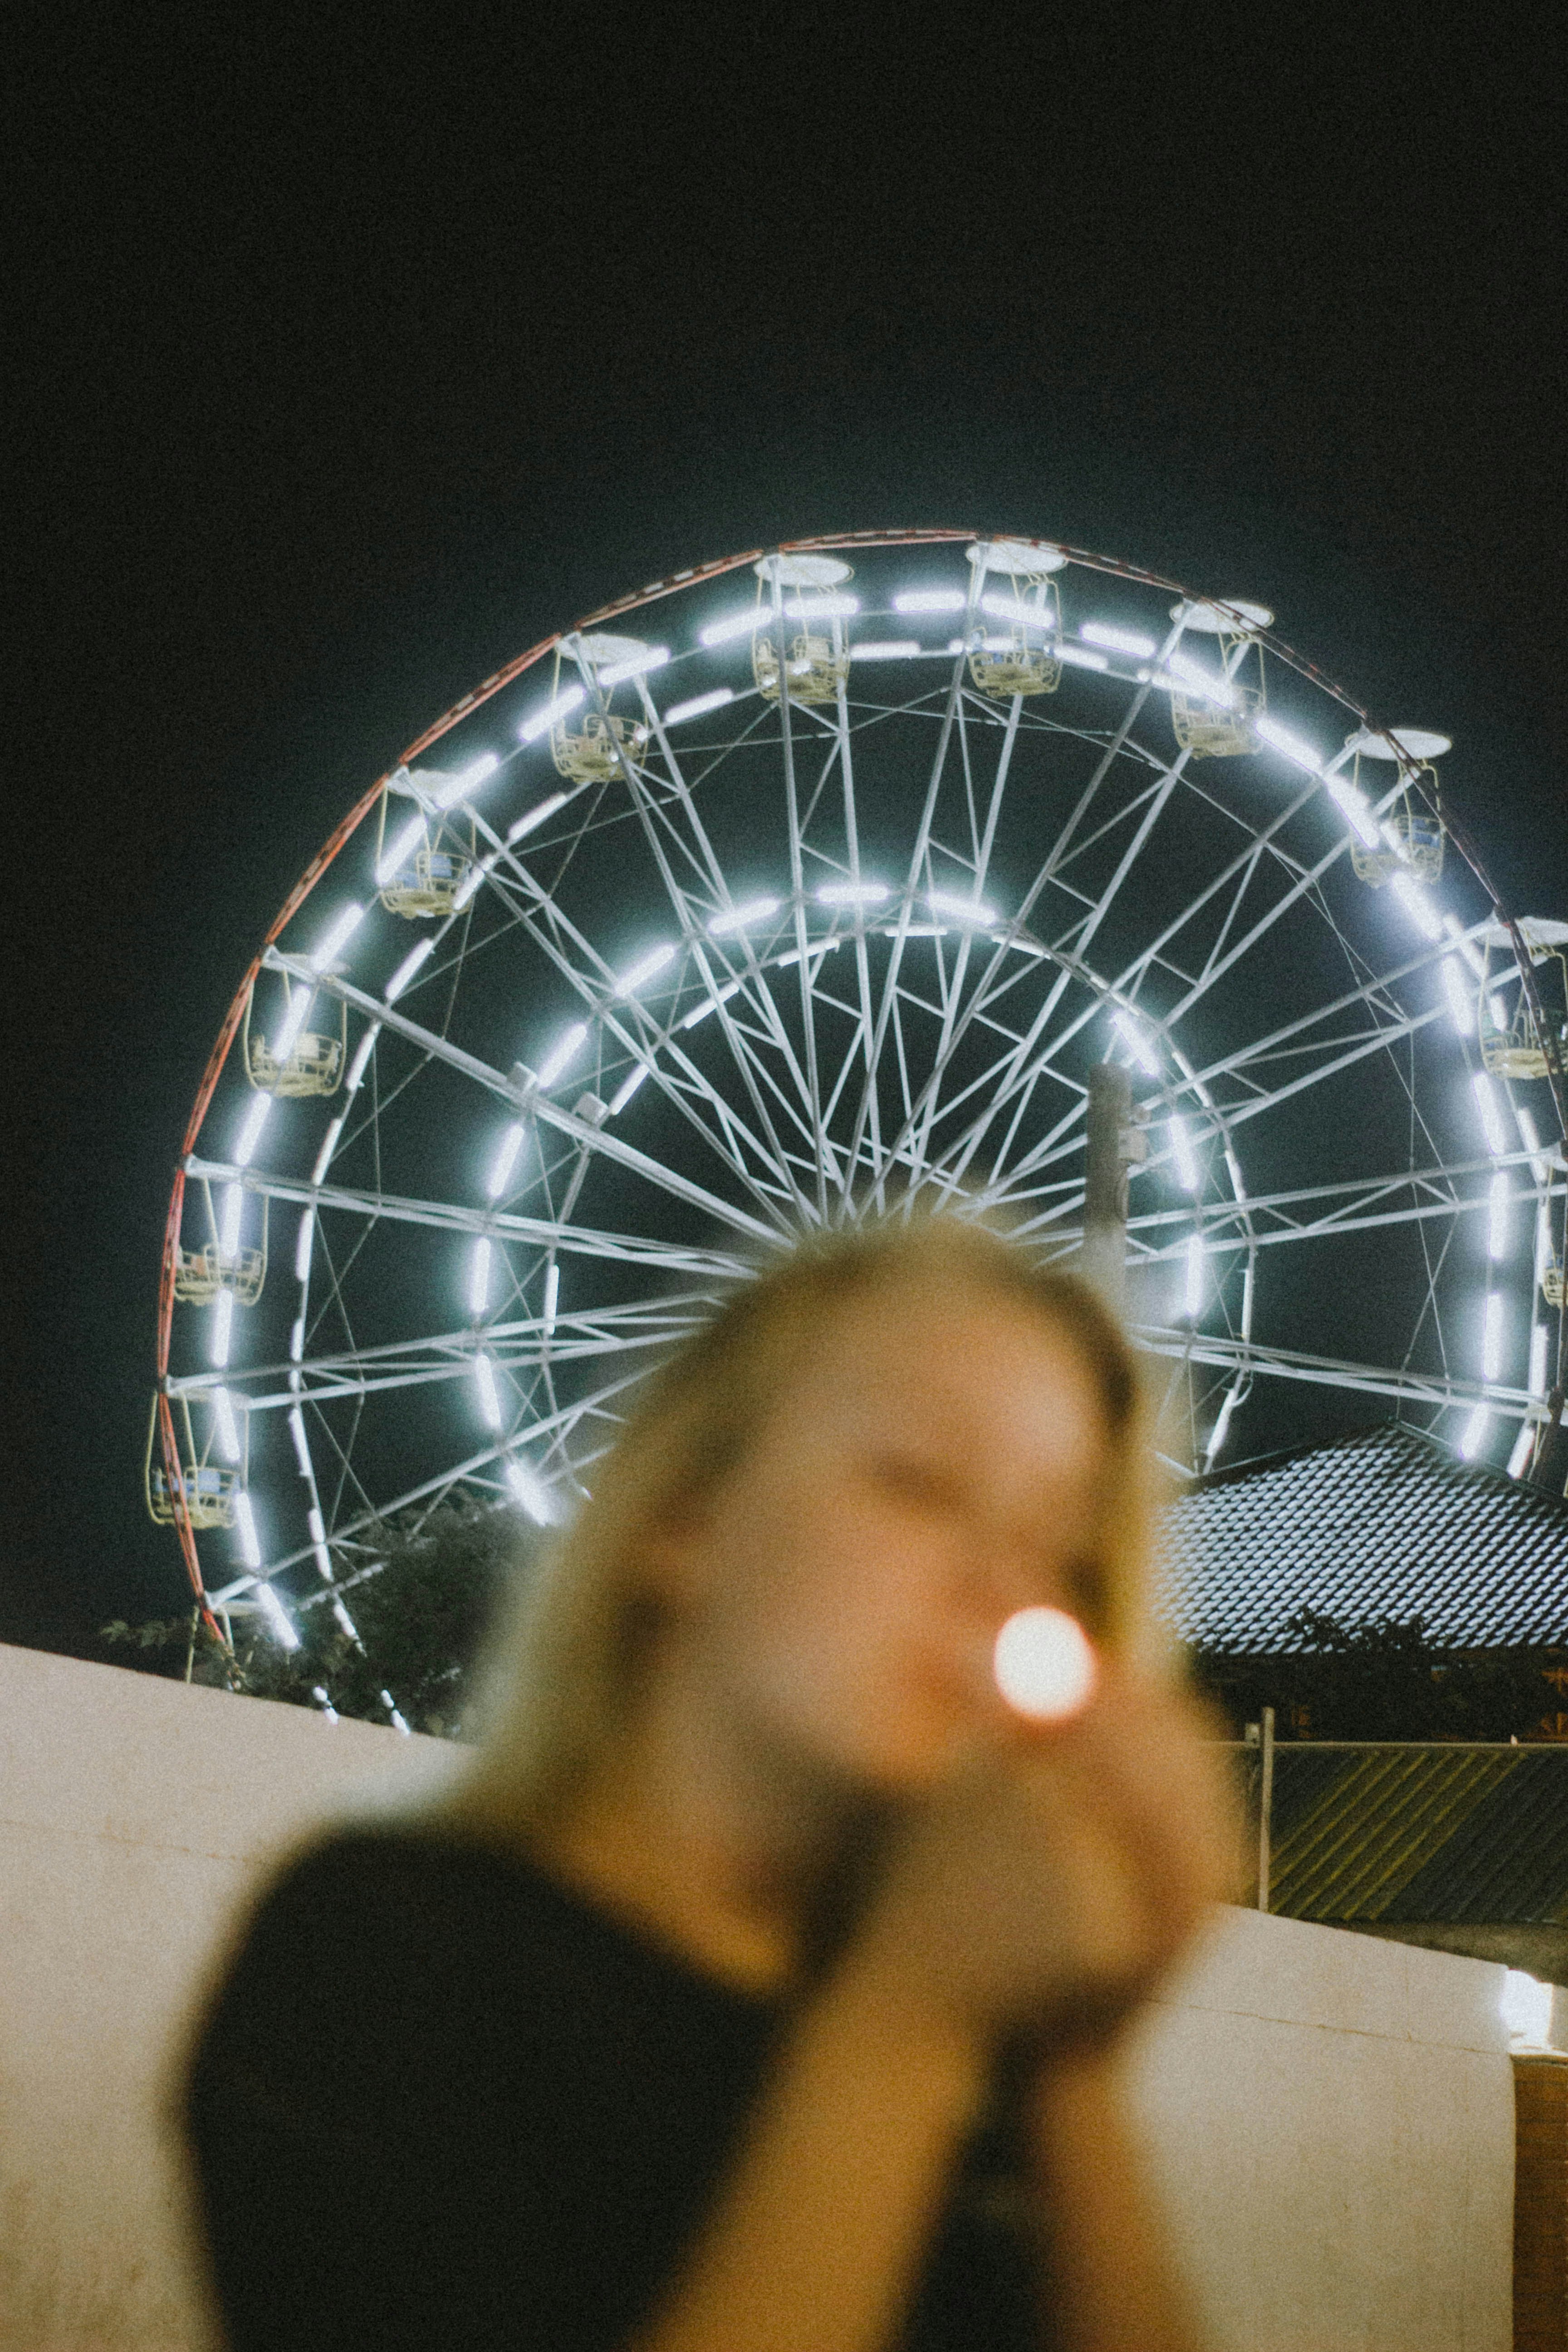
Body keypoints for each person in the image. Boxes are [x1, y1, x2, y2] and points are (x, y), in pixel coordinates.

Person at [185, 1212, 1233, 2352]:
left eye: (1060, 1549)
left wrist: (1073, 2067)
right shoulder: (379, 1955)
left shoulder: (992, 2068)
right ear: (684, 1518)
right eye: (921, 1482)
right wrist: (910, 2026)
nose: (1008, 1588)